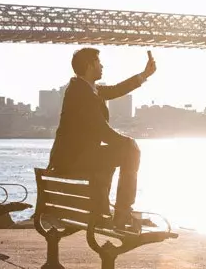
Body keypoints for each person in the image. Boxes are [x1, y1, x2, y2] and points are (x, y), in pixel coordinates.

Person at [48, 47, 156, 228]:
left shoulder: (84, 88)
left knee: (117, 155)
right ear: (90, 66)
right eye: (99, 62)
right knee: (129, 150)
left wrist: (144, 75)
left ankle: (107, 210)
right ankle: (122, 213)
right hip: (75, 159)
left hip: (72, 158)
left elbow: (115, 90)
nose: (102, 66)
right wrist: (129, 143)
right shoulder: (82, 93)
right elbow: (101, 131)